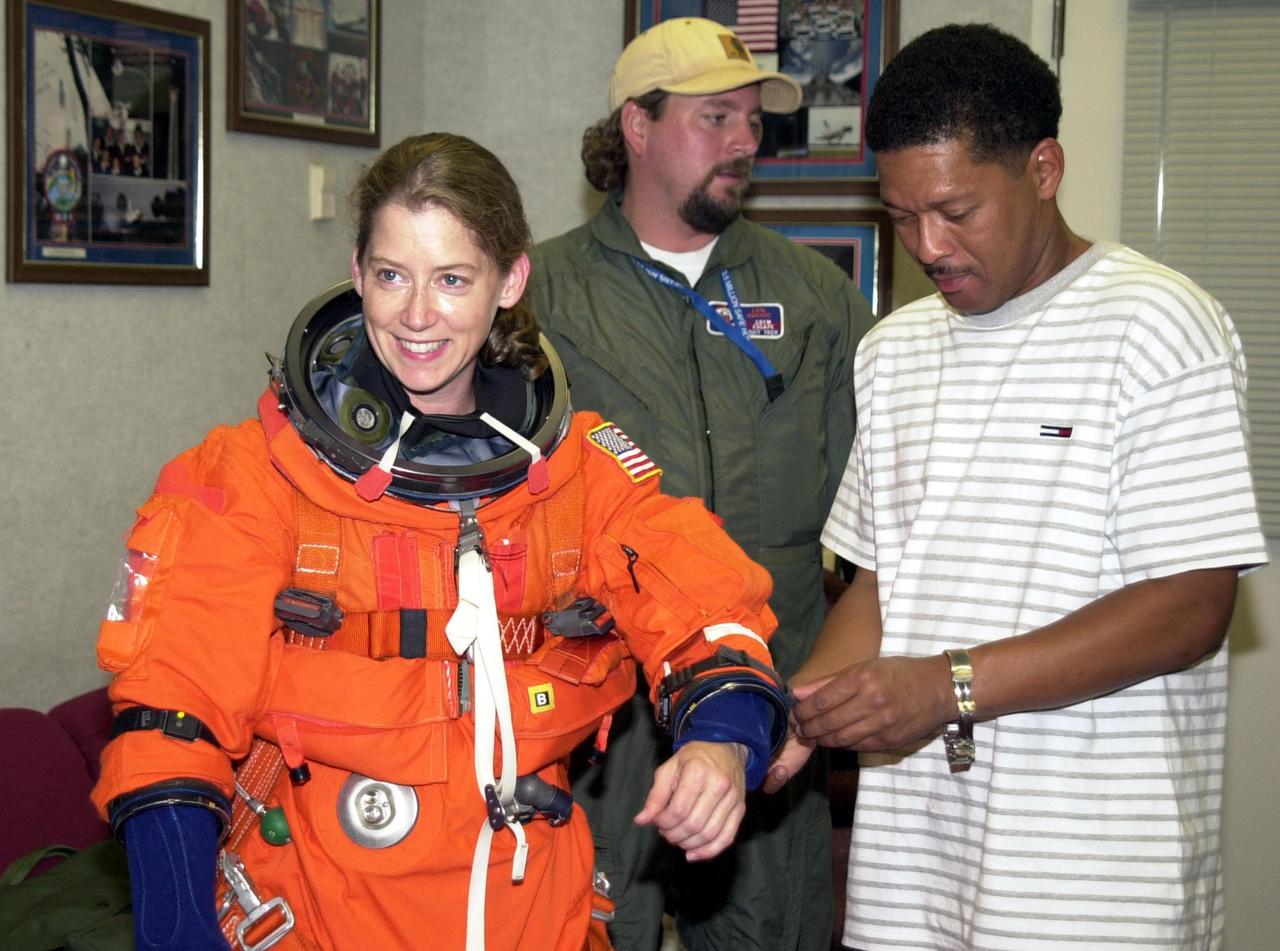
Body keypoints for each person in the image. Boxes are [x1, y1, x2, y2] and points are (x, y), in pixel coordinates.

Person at [90, 132, 795, 951]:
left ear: (511, 281)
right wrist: (178, 930)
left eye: (453, 279)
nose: (417, 314)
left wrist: (723, 741)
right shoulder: (257, 475)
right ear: (357, 275)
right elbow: (171, 713)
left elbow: (704, 599)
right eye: (392, 275)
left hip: (535, 914)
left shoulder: (579, 473)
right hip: (315, 914)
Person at [765, 23, 1269, 951]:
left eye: (956, 210)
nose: (929, 245)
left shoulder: (1158, 325)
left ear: (1043, 169)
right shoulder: (893, 352)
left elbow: (1193, 606)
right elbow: (879, 585)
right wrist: (797, 712)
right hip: (912, 874)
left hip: (1094, 883)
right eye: (902, 215)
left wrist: (948, 686)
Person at [529, 16, 876, 951]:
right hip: (598, 726)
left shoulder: (813, 298)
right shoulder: (541, 297)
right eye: (715, 117)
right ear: (637, 127)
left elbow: (878, 517)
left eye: (753, 121)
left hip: (769, 718)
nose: (744, 142)